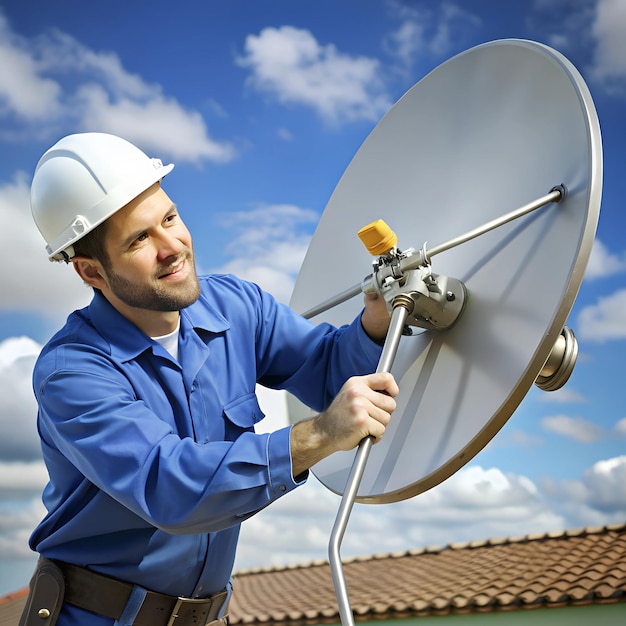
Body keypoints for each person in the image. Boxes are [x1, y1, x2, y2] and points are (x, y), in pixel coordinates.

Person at [20, 132, 398, 626]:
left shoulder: (238, 307)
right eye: (140, 239)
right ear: (92, 272)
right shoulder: (73, 370)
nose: (172, 246)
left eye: (170, 218)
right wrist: (319, 436)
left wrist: (375, 322)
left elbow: (328, 370)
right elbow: (169, 487)